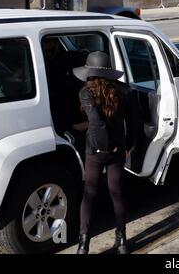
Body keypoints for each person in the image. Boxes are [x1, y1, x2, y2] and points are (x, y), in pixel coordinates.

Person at [73, 51, 135, 254]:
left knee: (89, 193)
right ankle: (123, 240)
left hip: (95, 151)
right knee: (116, 192)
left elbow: (97, 123)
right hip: (117, 150)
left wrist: (98, 142)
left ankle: (83, 244)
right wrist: (128, 145)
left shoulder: (85, 93)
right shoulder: (123, 91)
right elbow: (133, 121)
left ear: (89, 72)